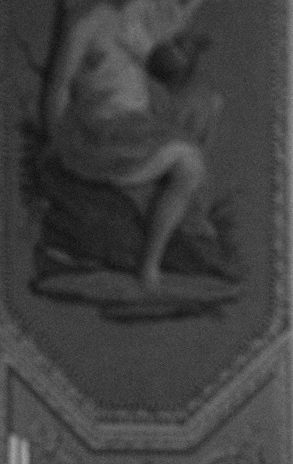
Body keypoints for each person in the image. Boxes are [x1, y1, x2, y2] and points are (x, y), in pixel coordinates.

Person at [41, 0, 223, 292]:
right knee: (188, 162)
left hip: (138, 127)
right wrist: (56, 138)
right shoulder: (85, 23)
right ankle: (149, 266)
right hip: (100, 132)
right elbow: (59, 85)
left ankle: (152, 261)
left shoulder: (134, 16)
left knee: (202, 124)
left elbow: (166, 50)